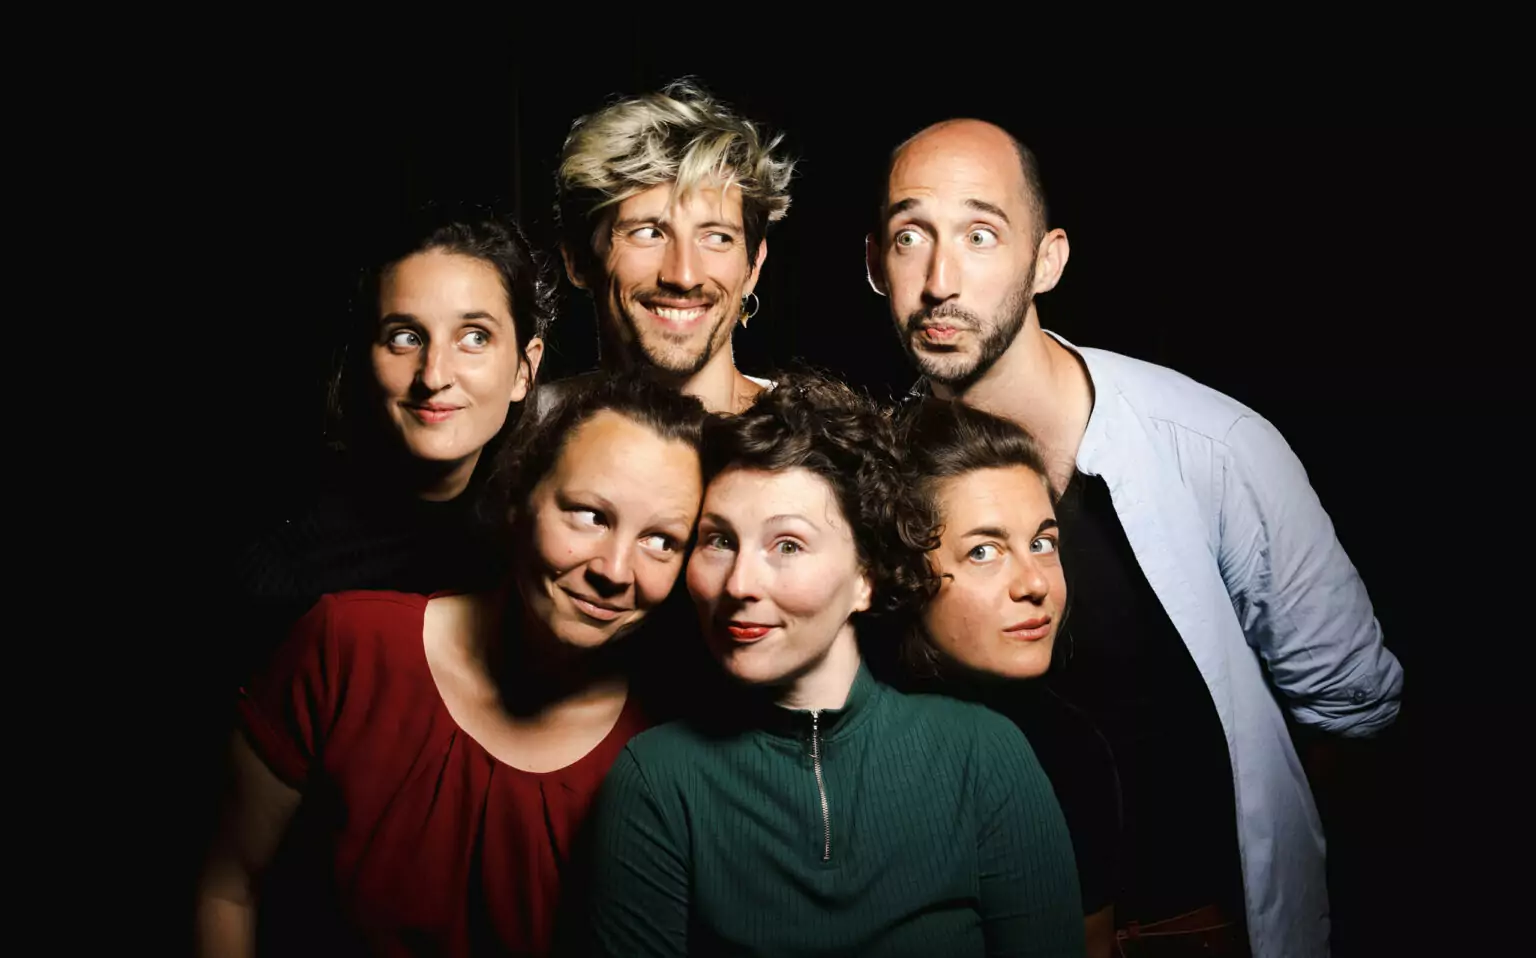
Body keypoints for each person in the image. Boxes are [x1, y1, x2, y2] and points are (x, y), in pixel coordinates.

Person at [866, 118, 1404, 957]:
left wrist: (1255, 910)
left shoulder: (1213, 446)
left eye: (980, 234)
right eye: (911, 237)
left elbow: (1351, 708)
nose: (940, 281)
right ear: (875, 264)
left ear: (1048, 259)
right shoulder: (871, 472)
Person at [196, 375, 709, 957]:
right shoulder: (347, 647)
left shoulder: (666, 749)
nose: (615, 571)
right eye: (589, 515)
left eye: (662, 541)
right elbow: (227, 890)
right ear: (519, 498)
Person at [582, 372, 1084, 957]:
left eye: (787, 545)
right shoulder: (655, 780)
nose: (739, 584)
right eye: (719, 541)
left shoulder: (985, 756)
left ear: (866, 576)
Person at [233, 202, 552, 674]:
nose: (434, 376)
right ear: (365, 359)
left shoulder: (545, 543)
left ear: (525, 370)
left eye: (474, 337)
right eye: (405, 337)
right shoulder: (282, 568)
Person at [898, 396, 1123, 958]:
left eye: (1042, 544)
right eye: (984, 551)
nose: (1035, 583)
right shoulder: (833, 731)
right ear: (898, 569)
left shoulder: (1072, 751)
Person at [546, 78, 793, 415]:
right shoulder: (525, 432)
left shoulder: (818, 437)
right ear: (577, 260)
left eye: (717, 237)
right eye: (648, 233)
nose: (684, 276)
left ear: (753, 266)